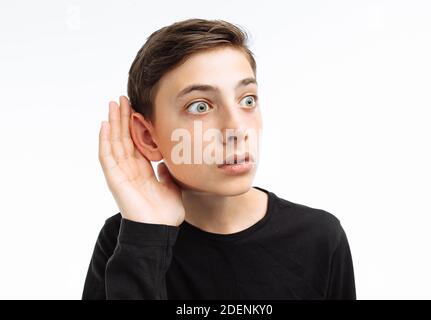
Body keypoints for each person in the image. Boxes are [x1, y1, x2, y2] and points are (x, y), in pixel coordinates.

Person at [82, 18, 356, 300]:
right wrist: (147, 239)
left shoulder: (320, 238)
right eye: (200, 106)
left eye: (247, 100)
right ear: (149, 137)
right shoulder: (125, 241)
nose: (236, 128)